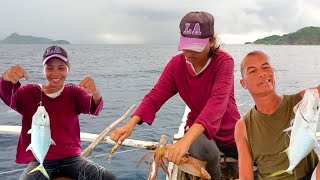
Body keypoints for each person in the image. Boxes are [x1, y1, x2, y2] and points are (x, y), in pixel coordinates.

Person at [111, 11, 241, 179]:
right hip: (197, 130)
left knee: (257, 157)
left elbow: (217, 103)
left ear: (212, 41)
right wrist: (131, 124)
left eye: (196, 47)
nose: (189, 53)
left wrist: (184, 142)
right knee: (210, 155)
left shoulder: (224, 62)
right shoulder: (176, 65)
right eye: (186, 46)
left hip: (229, 130)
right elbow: (155, 96)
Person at [0, 45, 116, 180]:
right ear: (43, 69)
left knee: (109, 178)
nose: (55, 73)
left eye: (61, 68)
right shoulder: (29, 92)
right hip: (40, 160)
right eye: (49, 68)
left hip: (73, 159)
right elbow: (7, 93)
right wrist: (7, 77)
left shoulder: (74, 93)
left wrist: (95, 92)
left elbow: (94, 108)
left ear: (68, 69)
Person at [235, 50, 320, 179]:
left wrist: (312, 95)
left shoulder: (302, 101)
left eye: (266, 67)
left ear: (274, 73)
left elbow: (316, 93)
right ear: (243, 84)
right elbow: (246, 177)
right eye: (252, 71)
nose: (262, 73)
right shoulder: (243, 126)